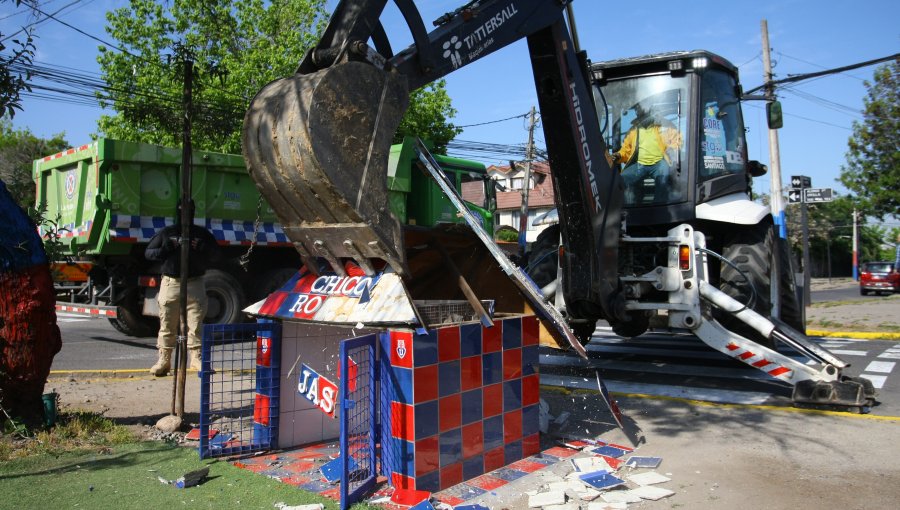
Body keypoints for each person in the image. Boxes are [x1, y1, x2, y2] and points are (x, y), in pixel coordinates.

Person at [145, 200, 221, 376]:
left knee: (196, 325)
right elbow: (149, 253)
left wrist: (202, 248)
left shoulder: (201, 234)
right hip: (171, 283)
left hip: (195, 283)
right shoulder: (167, 233)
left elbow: (218, 256)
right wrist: (165, 248)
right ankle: (164, 360)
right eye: (183, 211)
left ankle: (196, 358)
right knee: (167, 324)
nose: (186, 215)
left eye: (190, 211)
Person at [612, 109, 683, 204]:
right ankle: (630, 207)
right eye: (637, 110)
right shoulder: (633, 130)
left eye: (640, 109)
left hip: (660, 163)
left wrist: (672, 150)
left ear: (649, 110)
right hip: (639, 164)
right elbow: (626, 150)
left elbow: (677, 141)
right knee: (622, 180)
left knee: (663, 180)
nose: (637, 112)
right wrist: (619, 155)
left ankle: (659, 208)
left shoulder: (664, 125)